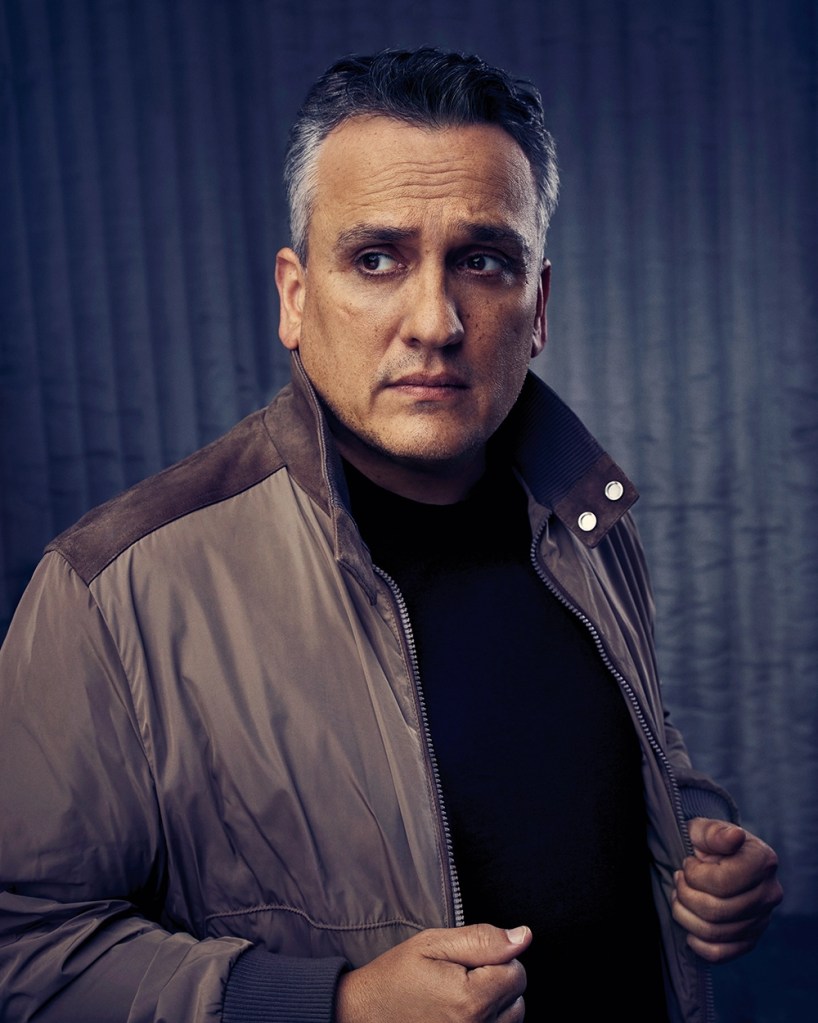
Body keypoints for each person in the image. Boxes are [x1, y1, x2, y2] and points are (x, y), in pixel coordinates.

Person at [0, 48, 781, 1023]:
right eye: (376, 259)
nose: (434, 322)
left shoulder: (585, 512)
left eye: (482, 261)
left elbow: (633, 751)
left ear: (537, 306)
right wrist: (337, 1006)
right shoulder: (111, 590)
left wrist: (700, 845)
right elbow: (24, 947)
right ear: (295, 298)